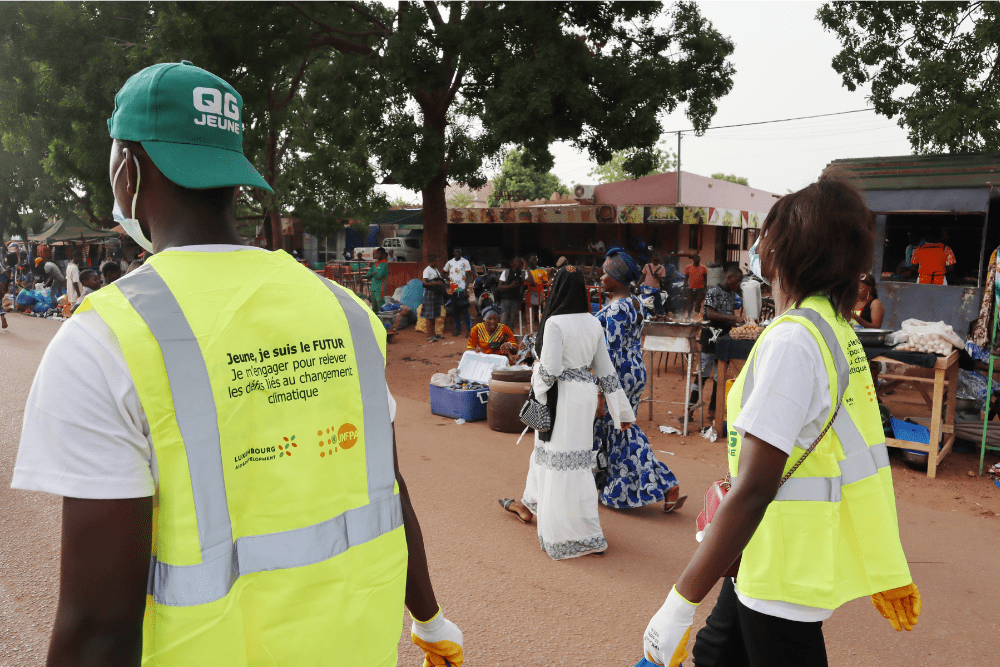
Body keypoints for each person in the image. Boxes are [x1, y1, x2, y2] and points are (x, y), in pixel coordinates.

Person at [11, 61, 462, 667]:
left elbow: (98, 627)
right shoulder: (346, 315)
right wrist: (429, 619)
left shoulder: (104, 342)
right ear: (231, 171)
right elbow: (388, 487)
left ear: (127, 170)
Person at [641, 171, 919, 667]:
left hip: (779, 563)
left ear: (786, 252)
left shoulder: (792, 340)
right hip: (769, 550)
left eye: (766, 238)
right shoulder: (834, 329)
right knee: (715, 653)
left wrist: (679, 602)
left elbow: (755, 487)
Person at [497, 266, 634, 560]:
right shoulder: (593, 322)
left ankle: (562, 534)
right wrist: (621, 411)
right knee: (575, 462)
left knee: (555, 459)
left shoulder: (555, 323)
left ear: (556, 289)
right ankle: (550, 513)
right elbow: (606, 371)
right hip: (584, 395)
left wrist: (537, 386)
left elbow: (550, 369)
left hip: (560, 396)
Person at [594, 249, 685, 513]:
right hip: (634, 371)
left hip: (617, 376)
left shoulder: (613, 311)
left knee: (623, 431)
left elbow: (609, 353)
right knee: (617, 430)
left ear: (619, 279)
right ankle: (614, 486)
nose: (601, 277)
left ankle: (667, 484)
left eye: (606, 274)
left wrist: (601, 393)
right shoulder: (634, 303)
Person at [690, 266, 743, 418]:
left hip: (724, 339)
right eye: (737, 280)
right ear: (728, 278)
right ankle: (690, 410)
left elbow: (730, 313)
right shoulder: (713, 291)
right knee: (703, 374)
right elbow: (711, 314)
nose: (738, 283)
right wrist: (734, 318)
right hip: (710, 337)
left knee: (718, 377)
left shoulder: (732, 294)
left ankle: (713, 411)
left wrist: (738, 325)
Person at [443, 248, 473, 337]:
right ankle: (458, 330)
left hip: (463, 290)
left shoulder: (465, 262)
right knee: (455, 311)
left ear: (460, 253)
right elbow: (443, 273)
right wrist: (449, 279)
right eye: (455, 252)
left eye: (459, 252)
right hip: (454, 290)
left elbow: (468, 277)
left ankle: (469, 331)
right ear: (453, 253)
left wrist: (466, 290)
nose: (457, 253)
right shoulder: (449, 262)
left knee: (465, 311)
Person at [421, 254, 447, 342]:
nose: (437, 263)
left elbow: (438, 279)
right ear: (431, 261)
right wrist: (436, 283)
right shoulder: (427, 270)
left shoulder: (435, 269)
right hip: (429, 294)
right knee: (429, 316)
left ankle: (434, 334)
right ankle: (429, 336)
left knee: (434, 315)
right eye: (436, 261)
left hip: (436, 294)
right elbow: (424, 283)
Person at [497, 255, 527, 330]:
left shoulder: (522, 273)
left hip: (516, 300)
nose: (518, 263)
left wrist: (526, 267)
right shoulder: (506, 272)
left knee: (512, 321)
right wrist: (511, 286)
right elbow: (499, 287)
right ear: (512, 263)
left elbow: (531, 280)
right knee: (503, 321)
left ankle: (510, 338)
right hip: (505, 300)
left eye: (520, 262)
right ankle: (502, 338)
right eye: (516, 261)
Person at [365, 247, 389, 313]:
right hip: (373, 288)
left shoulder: (385, 264)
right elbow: (368, 274)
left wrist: (372, 275)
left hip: (380, 288)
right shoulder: (375, 264)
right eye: (376, 254)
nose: (377, 255)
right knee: (374, 308)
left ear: (383, 254)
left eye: (378, 254)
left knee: (381, 306)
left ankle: (382, 321)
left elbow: (379, 276)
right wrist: (373, 273)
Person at [684, 253, 708, 319]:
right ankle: (689, 316)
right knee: (689, 303)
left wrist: (705, 289)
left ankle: (696, 317)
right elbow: (686, 279)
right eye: (697, 257)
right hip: (691, 289)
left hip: (700, 289)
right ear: (693, 259)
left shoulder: (703, 268)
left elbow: (705, 280)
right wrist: (684, 289)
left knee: (698, 304)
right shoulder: (688, 267)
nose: (698, 259)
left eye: (699, 258)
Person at [525, 253, 549, 320]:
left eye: (534, 260)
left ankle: (542, 325)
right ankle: (529, 327)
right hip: (529, 292)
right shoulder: (526, 271)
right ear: (529, 260)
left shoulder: (542, 270)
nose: (532, 261)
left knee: (542, 309)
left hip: (540, 293)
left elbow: (546, 281)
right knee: (529, 312)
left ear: (537, 260)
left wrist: (538, 284)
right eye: (531, 259)